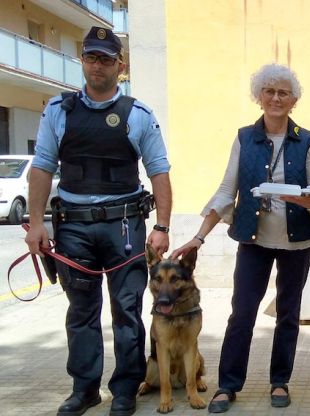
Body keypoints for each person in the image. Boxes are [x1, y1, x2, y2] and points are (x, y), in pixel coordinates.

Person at [24, 26, 172, 416]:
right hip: (73, 227)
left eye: (106, 59)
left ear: (119, 66)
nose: (97, 65)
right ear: (83, 60)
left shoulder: (138, 114)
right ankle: (84, 389)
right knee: (81, 311)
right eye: (91, 57)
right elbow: (41, 168)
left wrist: (162, 228)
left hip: (123, 226)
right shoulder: (59, 110)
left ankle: (124, 390)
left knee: (127, 310)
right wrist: (36, 224)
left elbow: (159, 172)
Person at [169, 63, 310, 413]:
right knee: (242, 313)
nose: (275, 98)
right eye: (269, 91)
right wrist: (199, 237)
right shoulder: (244, 137)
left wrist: (305, 198)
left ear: (294, 99)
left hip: (297, 241)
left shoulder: (307, 139)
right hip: (253, 241)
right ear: (259, 96)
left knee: (288, 313)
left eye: (283, 92)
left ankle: (280, 381)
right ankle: (228, 384)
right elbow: (227, 190)